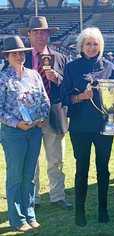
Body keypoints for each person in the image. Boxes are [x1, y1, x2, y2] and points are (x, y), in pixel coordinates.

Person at [61, 27, 114, 227]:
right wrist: (80, 97)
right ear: (81, 46)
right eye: (88, 43)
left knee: (103, 169)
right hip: (80, 127)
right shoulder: (71, 68)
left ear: (100, 46)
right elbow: (64, 98)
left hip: (104, 126)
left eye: (95, 44)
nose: (92, 47)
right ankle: (80, 211)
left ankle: (102, 209)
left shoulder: (109, 67)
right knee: (82, 169)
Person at [19, 16, 72, 209]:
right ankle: (33, 198)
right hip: (29, 116)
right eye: (36, 32)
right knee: (31, 160)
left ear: (48, 35)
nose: (41, 36)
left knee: (56, 158)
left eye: (44, 32)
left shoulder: (60, 58)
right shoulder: (20, 57)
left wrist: (57, 78)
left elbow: (69, 87)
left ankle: (57, 196)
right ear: (29, 35)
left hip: (54, 113)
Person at [0, 36, 50, 232]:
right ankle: (17, 218)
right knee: (15, 176)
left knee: (29, 176)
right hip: (14, 133)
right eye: (15, 53)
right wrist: (16, 123)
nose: (19, 56)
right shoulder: (2, 78)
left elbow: (44, 100)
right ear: (7, 56)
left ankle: (30, 214)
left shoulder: (33, 75)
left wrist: (43, 117)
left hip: (34, 131)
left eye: (22, 53)